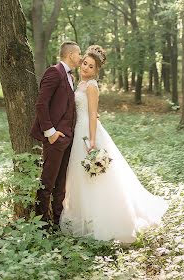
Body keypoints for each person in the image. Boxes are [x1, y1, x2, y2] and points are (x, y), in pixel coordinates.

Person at [60, 45, 168, 243]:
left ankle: (103, 219)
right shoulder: (80, 84)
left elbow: (93, 114)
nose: (85, 68)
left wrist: (92, 140)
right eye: (84, 63)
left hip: (87, 132)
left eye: (91, 67)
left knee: (96, 176)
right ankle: (85, 214)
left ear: (96, 71)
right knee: (81, 176)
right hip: (78, 130)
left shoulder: (92, 86)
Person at [30, 40, 82, 229]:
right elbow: (41, 104)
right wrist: (50, 132)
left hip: (68, 138)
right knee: (47, 182)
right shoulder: (54, 72)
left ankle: (57, 222)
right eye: (79, 54)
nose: (81, 57)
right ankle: (40, 225)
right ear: (70, 55)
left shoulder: (70, 77)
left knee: (61, 184)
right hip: (55, 138)